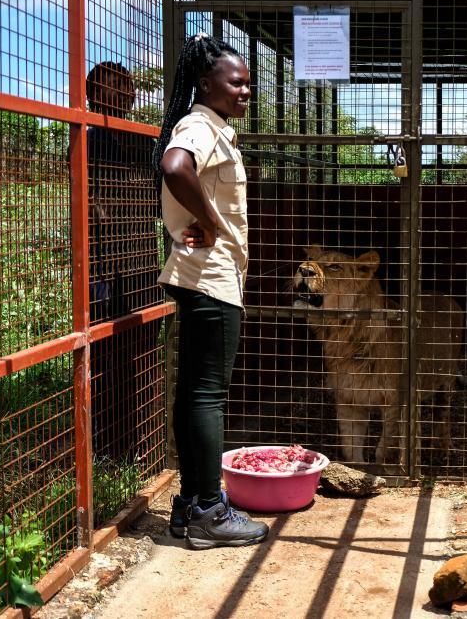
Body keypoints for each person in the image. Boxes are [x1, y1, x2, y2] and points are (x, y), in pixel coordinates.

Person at [152, 33, 268, 549]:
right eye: (236, 82)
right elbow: (175, 166)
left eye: (248, 83)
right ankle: (208, 510)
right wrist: (211, 221)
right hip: (210, 278)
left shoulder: (211, 126)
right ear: (205, 83)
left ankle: (190, 504)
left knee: (193, 393)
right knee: (207, 395)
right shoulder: (199, 125)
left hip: (199, 275)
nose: (246, 90)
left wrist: (205, 218)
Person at [86, 61, 161, 465]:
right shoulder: (88, 139)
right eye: (113, 86)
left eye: (126, 86)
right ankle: (105, 447)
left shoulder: (142, 141)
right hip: (102, 266)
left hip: (142, 263)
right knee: (104, 354)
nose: (124, 93)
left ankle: (144, 441)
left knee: (143, 348)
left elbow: (157, 196)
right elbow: (89, 202)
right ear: (94, 95)